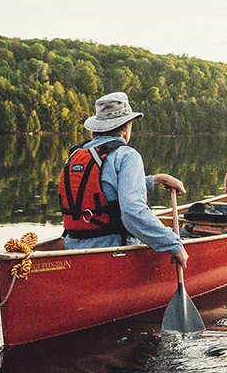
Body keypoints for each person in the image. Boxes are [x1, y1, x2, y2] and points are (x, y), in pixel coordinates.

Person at [58, 92, 189, 267]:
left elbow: (106, 187)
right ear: (126, 126)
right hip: (113, 251)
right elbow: (133, 214)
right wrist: (173, 243)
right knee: (178, 234)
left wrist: (157, 179)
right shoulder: (126, 155)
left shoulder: (77, 154)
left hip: (71, 248)